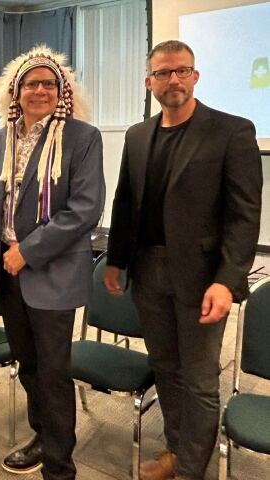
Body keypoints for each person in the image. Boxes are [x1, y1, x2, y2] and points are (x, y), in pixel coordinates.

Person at [104, 40, 262, 480]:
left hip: (203, 278)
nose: (173, 79)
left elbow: (244, 215)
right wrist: (115, 259)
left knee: (199, 378)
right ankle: (177, 450)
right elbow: (124, 202)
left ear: (195, 76)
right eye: (163, 72)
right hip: (149, 271)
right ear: (149, 81)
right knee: (166, 368)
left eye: (182, 71)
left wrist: (227, 280)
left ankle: (192, 468)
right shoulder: (138, 136)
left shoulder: (232, 131)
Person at [0, 45, 105, 479]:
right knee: (29, 365)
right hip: (8, 272)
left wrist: (26, 252)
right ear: (16, 91)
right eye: (31, 83)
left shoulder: (82, 137)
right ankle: (41, 437)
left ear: (61, 91)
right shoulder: (1, 137)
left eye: (49, 84)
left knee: (53, 372)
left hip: (51, 273)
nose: (40, 90)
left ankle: (59, 464)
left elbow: (85, 209)